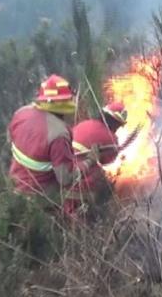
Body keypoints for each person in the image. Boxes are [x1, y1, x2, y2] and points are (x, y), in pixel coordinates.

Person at [8, 74, 96, 202]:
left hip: (13, 185)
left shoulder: (21, 113)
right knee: (90, 198)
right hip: (40, 197)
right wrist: (89, 161)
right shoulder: (59, 133)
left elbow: (13, 140)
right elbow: (65, 179)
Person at [63, 102, 128, 218]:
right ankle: (84, 214)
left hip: (59, 168)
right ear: (116, 123)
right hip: (76, 177)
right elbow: (107, 161)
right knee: (100, 176)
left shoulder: (85, 123)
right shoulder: (111, 139)